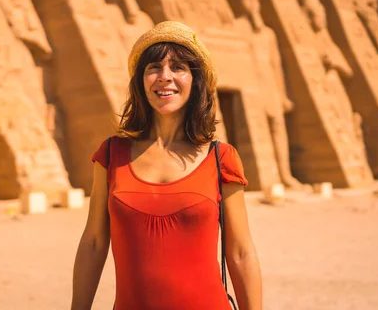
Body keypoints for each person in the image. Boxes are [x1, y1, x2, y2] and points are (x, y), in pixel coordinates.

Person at [71, 21, 262, 309]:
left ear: (194, 80)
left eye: (178, 67)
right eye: (154, 67)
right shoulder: (112, 154)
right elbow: (94, 243)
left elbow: (241, 253)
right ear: (140, 80)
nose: (165, 77)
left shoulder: (221, 158)